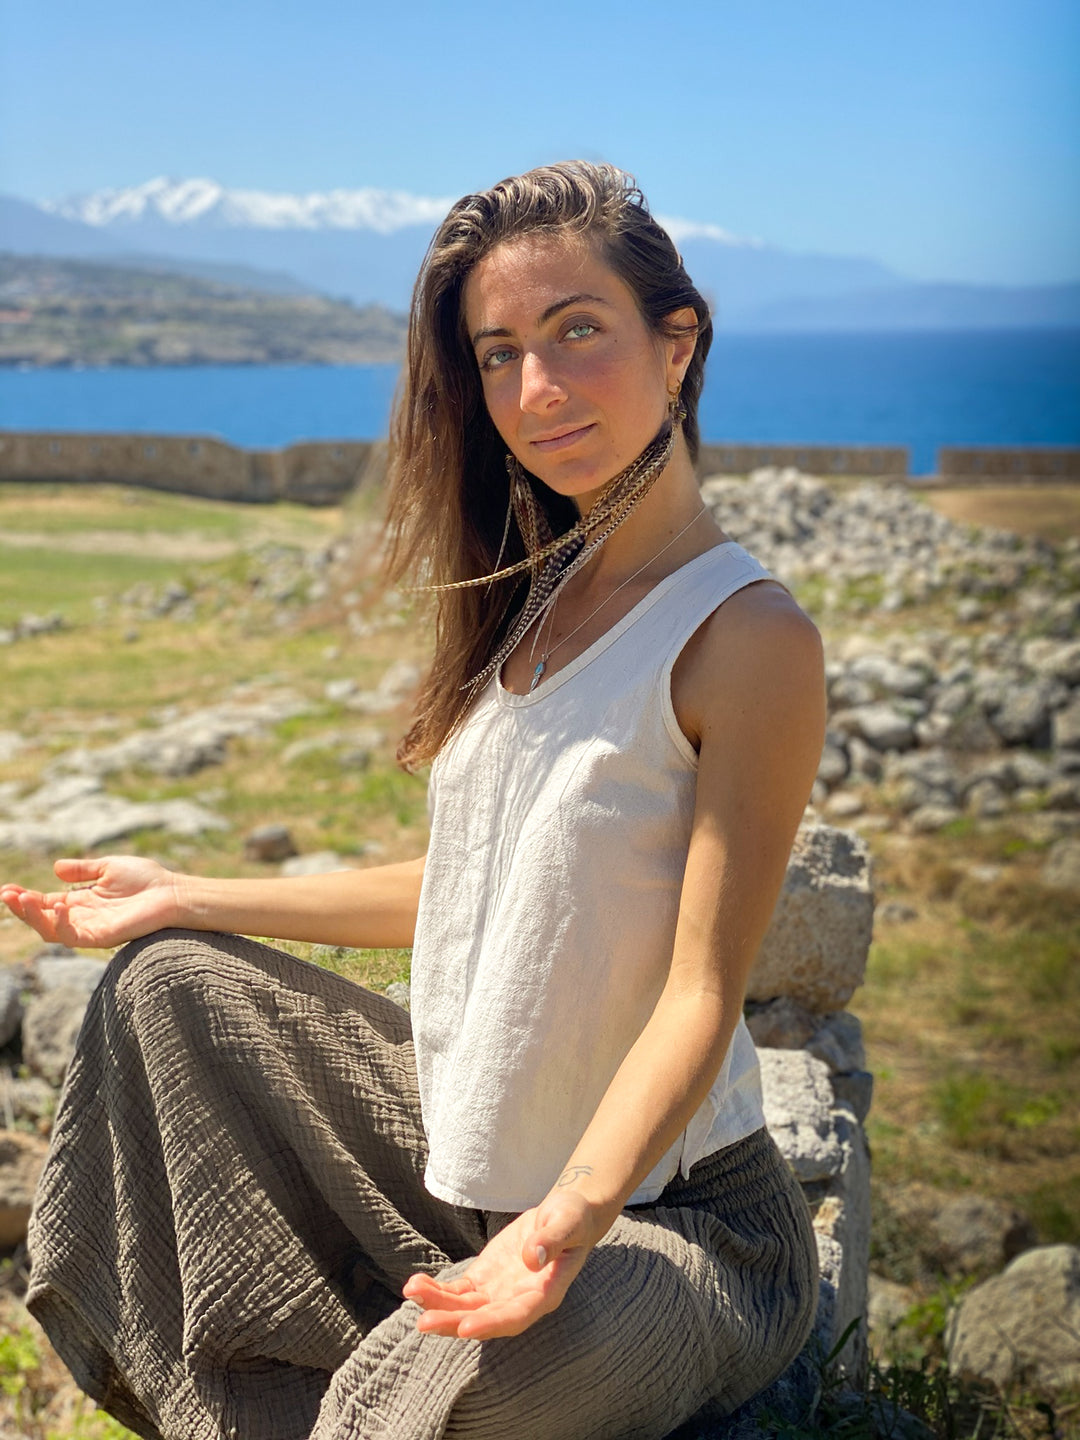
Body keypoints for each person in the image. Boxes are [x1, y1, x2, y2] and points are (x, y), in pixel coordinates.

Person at [1, 161, 826, 1440]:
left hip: (671, 1221)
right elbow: (481, 892)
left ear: (679, 344)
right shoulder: (540, 600)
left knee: (439, 1396)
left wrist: (560, 1232)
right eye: (498, 356)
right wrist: (187, 895)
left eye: (577, 334)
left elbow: (701, 994)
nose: (535, 392)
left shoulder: (746, 635)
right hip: (477, 1163)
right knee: (167, 990)